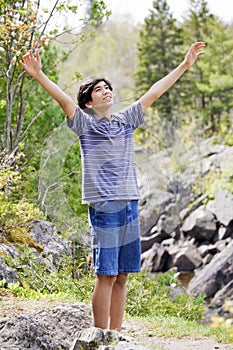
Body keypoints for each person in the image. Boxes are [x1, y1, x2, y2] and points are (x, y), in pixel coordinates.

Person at [20, 41, 205, 331]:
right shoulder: (84, 123)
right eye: (99, 89)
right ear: (89, 103)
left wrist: (184, 65)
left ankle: (117, 336)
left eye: (108, 87)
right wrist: (39, 75)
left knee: (122, 276)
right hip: (105, 205)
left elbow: (155, 92)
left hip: (130, 202)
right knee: (105, 274)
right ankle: (100, 335)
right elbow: (65, 102)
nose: (107, 90)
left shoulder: (125, 120)